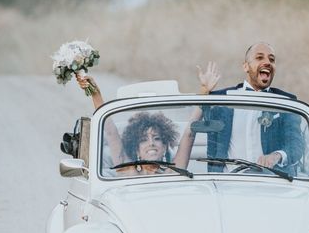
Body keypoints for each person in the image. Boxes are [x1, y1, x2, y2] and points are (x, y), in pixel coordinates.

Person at [75, 64, 220, 175]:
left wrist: (204, 92)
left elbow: (190, 132)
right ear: (136, 148)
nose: (151, 143)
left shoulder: (172, 173)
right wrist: (95, 94)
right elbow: (111, 133)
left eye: (157, 138)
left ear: (164, 147)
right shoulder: (127, 171)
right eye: (144, 139)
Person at [204, 42, 304, 174]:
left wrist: (276, 156)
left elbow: (295, 146)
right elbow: (199, 120)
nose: (267, 62)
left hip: (273, 183)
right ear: (246, 66)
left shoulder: (285, 102)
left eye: (272, 59)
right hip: (229, 183)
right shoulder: (223, 99)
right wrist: (205, 91)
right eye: (259, 57)